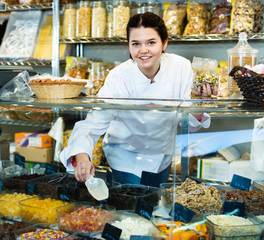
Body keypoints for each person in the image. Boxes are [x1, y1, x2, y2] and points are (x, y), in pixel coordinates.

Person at [60, 12, 213, 185]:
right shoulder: (118, 77)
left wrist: (200, 103)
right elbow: (93, 123)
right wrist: (82, 157)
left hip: (162, 156)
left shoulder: (181, 67)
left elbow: (186, 121)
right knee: (133, 204)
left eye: (151, 42)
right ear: (129, 46)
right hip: (126, 157)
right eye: (136, 44)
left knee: (153, 205)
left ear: (164, 43)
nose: (143, 50)